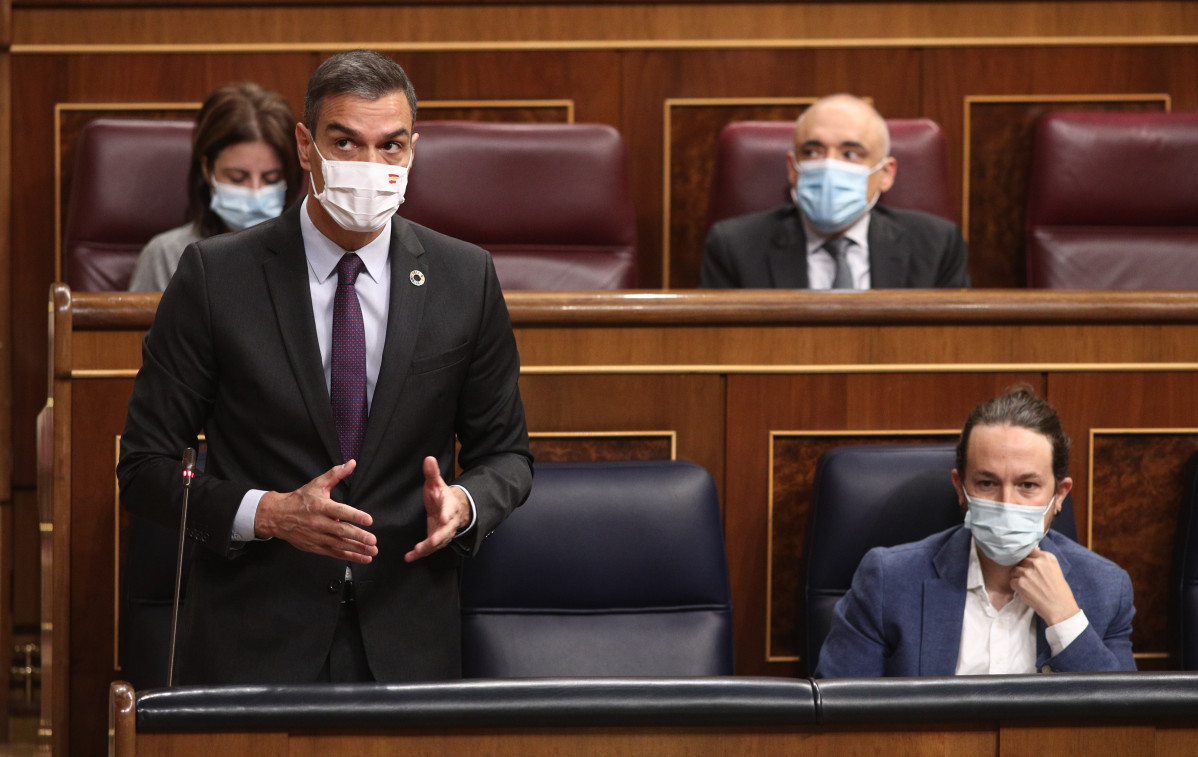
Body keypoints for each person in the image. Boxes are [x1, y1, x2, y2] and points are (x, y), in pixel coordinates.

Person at [117, 50, 533, 684]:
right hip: (252, 639)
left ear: (413, 151)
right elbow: (143, 468)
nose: (371, 167)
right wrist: (270, 513)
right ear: (306, 147)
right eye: (346, 142)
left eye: (391, 147)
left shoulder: (464, 278)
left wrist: (465, 504)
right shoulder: (214, 277)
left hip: (407, 643)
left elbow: (507, 455)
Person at [815, 388, 1135, 677]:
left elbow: (1124, 726)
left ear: (1060, 495)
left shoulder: (1104, 588)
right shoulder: (889, 580)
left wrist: (1065, 619)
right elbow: (838, 718)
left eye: (1027, 485)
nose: (1007, 503)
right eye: (987, 483)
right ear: (960, 488)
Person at [700, 94, 969, 289]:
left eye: (851, 154)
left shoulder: (937, 246)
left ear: (886, 174)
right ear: (793, 169)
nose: (829, 164)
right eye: (812, 152)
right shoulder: (734, 247)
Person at [128, 82, 305, 291]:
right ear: (207, 169)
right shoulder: (166, 255)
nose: (255, 193)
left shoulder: (310, 251)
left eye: (271, 179)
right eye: (238, 178)